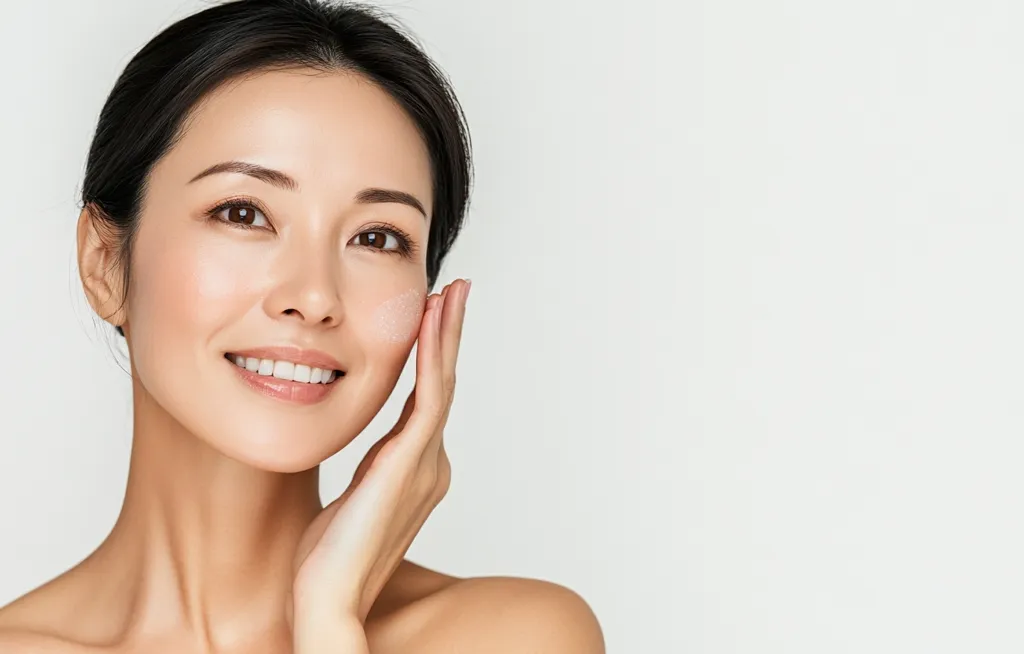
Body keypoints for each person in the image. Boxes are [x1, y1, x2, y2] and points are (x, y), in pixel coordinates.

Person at [0, 0, 604, 651]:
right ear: (105, 264)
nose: (315, 296)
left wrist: (327, 617)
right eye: (243, 213)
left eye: (376, 237)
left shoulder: (511, 636)